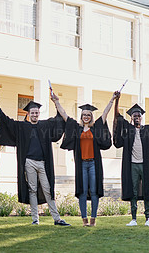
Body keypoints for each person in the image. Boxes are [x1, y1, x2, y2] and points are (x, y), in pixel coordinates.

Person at [0, 95, 70, 226]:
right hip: (29, 162)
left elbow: (59, 119)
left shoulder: (45, 125)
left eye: (36, 113)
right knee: (32, 189)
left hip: (43, 163)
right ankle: (35, 219)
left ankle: (57, 219)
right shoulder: (21, 126)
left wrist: (56, 103)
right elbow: (6, 121)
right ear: (28, 114)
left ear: (39, 114)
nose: (35, 114)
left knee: (48, 189)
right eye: (32, 112)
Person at [53, 92, 116, 227]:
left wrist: (111, 100)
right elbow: (64, 115)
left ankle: (93, 220)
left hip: (93, 163)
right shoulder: (76, 128)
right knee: (81, 191)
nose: (86, 117)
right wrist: (56, 102)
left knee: (94, 191)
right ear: (81, 117)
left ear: (91, 116)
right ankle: (84, 220)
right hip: (81, 164)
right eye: (84, 115)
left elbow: (105, 113)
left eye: (88, 115)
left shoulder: (96, 128)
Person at [113, 94, 149, 227]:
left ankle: (148, 218)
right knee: (134, 191)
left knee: (147, 189)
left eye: (139, 116)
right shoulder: (127, 129)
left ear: (141, 117)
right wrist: (117, 101)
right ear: (131, 118)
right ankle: (133, 218)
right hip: (132, 165)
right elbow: (117, 118)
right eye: (134, 116)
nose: (137, 117)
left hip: (145, 165)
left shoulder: (147, 130)